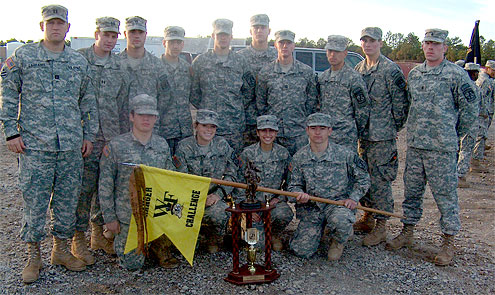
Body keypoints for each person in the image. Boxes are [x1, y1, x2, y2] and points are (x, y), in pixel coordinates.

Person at [0, 4, 98, 283]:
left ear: (68, 28)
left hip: (70, 146)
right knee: (36, 202)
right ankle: (34, 255)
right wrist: (11, 132)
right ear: (41, 26)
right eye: (50, 23)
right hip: (35, 145)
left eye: (60, 24)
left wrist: (88, 135)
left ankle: (61, 250)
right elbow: (8, 95)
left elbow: (87, 101)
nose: (55, 28)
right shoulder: (24, 57)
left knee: (67, 201)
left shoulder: (78, 62)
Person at [387, 29, 479, 266]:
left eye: (436, 44)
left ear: (445, 48)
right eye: (427, 43)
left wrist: (452, 134)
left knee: (445, 196)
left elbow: (470, 110)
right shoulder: (416, 74)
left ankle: (448, 241)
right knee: (412, 192)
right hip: (416, 145)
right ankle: (408, 231)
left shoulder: (456, 75)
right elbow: (409, 104)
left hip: (442, 149)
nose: (430, 47)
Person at [99, 94, 178, 270]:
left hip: (157, 214)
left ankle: (158, 244)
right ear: (131, 116)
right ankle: (117, 239)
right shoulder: (116, 146)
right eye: (141, 114)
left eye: (150, 115)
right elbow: (105, 184)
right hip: (129, 217)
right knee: (132, 265)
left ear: (156, 118)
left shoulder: (162, 144)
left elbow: (171, 179)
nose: (146, 119)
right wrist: (110, 218)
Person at [73, 17, 130, 263]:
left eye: (114, 36)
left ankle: (97, 234)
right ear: (96, 34)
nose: (109, 40)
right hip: (86, 138)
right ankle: (77, 238)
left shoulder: (119, 66)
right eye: (105, 35)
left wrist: (121, 139)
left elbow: (123, 104)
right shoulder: (80, 60)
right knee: (82, 189)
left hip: (111, 137)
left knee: (103, 187)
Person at [354, 27, 409, 246]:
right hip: (363, 135)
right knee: (364, 177)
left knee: (381, 180)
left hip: (382, 137)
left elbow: (401, 105)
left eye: (372, 41)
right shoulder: (359, 69)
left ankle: (382, 225)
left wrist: (391, 129)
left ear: (380, 43)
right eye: (364, 41)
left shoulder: (390, 69)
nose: (368, 45)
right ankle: (367, 216)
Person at [288, 113, 370, 261]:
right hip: (313, 207)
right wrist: (299, 194)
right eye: (313, 128)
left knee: (342, 222)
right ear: (307, 130)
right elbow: (293, 185)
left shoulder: (345, 154)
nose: (318, 132)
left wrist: (353, 198)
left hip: (337, 205)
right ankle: (319, 231)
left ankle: (338, 240)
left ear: (330, 131)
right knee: (301, 251)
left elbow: (363, 179)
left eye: (322, 128)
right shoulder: (299, 157)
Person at [173, 109, 237, 253]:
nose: (209, 130)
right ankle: (192, 236)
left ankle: (212, 237)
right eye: (204, 126)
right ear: (196, 126)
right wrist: (199, 198)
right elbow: (179, 178)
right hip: (189, 199)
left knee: (220, 213)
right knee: (185, 249)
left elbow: (231, 175)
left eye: (212, 127)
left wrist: (219, 195)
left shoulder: (222, 145)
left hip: (213, 197)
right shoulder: (184, 147)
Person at [191, 19, 255, 154]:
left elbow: (249, 91)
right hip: (207, 126)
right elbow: (193, 92)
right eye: (219, 35)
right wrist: (207, 106)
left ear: (231, 37)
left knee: (233, 163)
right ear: (213, 36)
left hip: (234, 126)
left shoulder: (241, 62)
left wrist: (235, 106)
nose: (223, 38)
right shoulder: (201, 62)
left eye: (226, 35)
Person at [257, 30, 318, 155]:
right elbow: (261, 102)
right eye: (281, 43)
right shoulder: (266, 72)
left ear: (293, 46)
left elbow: (311, 101)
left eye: (288, 43)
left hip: (298, 134)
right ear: (275, 45)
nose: (285, 46)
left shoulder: (306, 72)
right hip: (273, 134)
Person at [238, 115, 293, 251]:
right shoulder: (247, 154)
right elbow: (238, 183)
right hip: (252, 206)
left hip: (272, 205)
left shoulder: (283, 154)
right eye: (263, 131)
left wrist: (280, 198)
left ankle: (274, 234)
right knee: (257, 247)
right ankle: (254, 230)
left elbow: (291, 181)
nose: (267, 135)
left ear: (276, 133)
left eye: (271, 131)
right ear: (257, 132)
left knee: (284, 213)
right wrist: (246, 209)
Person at [318, 35, 370, 152]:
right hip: (325, 137)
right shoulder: (323, 78)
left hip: (346, 138)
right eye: (330, 51)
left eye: (337, 51)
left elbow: (362, 110)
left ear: (345, 53)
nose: (332, 55)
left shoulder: (353, 78)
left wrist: (353, 130)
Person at [119, 16, 170, 133]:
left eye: (140, 32)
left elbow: (165, 97)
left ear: (145, 34)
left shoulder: (157, 65)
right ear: (125, 34)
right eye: (132, 32)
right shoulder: (114, 65)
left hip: (148, 132)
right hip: (120, 131)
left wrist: (153, 119)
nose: (137, 36)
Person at [237, 14, 278, 146]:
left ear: (269, 31)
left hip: (270, 122)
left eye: (263, 27)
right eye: (256, 27)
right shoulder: (239, 58)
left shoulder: (277, 57)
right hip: (245, 120)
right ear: (250, 31)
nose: (259, 31)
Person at [159, 26, 193, 155]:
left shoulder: (187, 69)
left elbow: (194, 95)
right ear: (164, 43)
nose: (175, 46)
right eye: (171, 42)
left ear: (183, 44)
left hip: (184, 130)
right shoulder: (155, 68)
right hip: (163, 130)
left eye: (178, 42)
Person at [457, 63, 482, 188]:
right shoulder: (472, 87)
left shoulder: (459, 85)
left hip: (458, 123)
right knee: (466, 149)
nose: (478, 75)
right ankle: (460, 176)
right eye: (476, 72)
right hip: (469, 124)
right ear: (472, 73)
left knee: (458, 149)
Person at [471, 60, 495, 171]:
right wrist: (485, 113)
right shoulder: (485, 81)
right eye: (493, 70)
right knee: (480, 135)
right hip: (482, 113)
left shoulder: (484, 78)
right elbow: (483, 99)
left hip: (480, 112)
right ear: (487, 68)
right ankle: (475, 162)